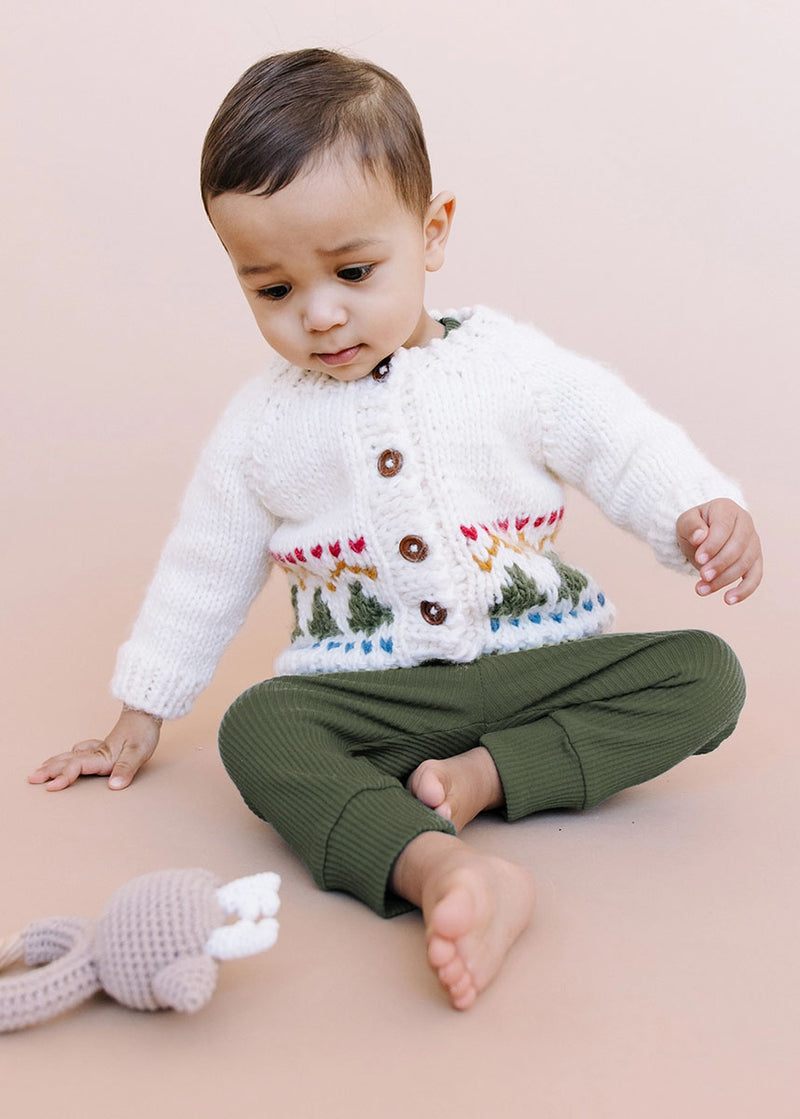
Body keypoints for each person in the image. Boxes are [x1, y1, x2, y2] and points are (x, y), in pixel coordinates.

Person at [30, 49, 762, 1011]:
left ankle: (487, 777)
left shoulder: (508, 366)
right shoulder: (263, 428)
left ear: (432, 231)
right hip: (370, 699)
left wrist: (697, 505)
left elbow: (614, 436)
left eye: (354, 270)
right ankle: (441, 873)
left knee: (706, 673)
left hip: (535, 663)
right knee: (258, 730)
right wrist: (143, 707)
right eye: (273, 290)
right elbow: (203, 566)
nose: (320, 316)